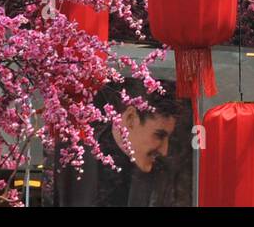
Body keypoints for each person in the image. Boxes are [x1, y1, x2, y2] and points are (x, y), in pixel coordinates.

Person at [54, 79, 192, 207]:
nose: (164, 151)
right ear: (130, 118)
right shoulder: (76, 160)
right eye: (159, 135)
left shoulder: (164, 175)